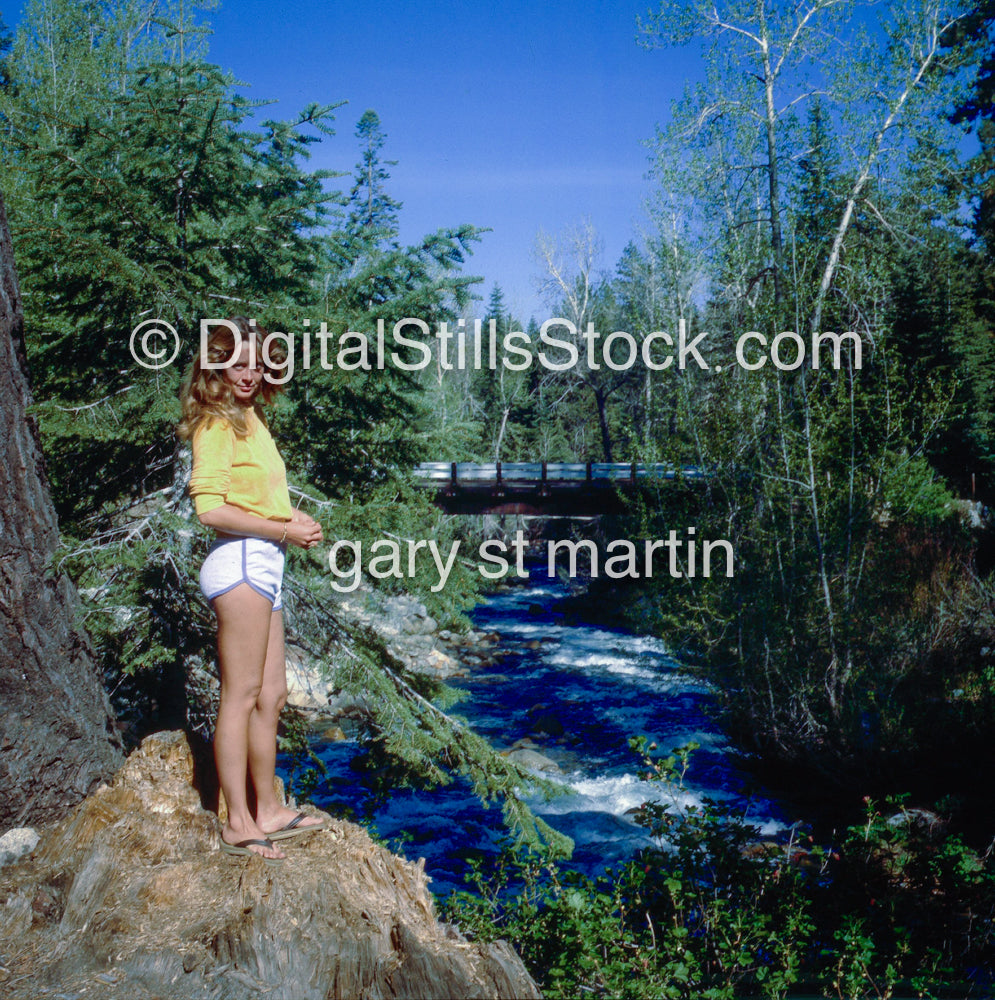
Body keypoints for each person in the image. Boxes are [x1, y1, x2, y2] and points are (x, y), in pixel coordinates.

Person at [177, 317, 325, 862]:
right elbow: (209, 507)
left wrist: (291, 518)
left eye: (256, 361)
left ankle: (268, 808)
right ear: (215, 366)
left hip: (265, 564)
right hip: (239, 565)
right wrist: (284, 528)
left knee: (272, 695)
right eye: (237, 361)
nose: (249, 371)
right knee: (239, 696)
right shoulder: (215, 424)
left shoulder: (251, 419)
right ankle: (237, 821)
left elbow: (257, 499)